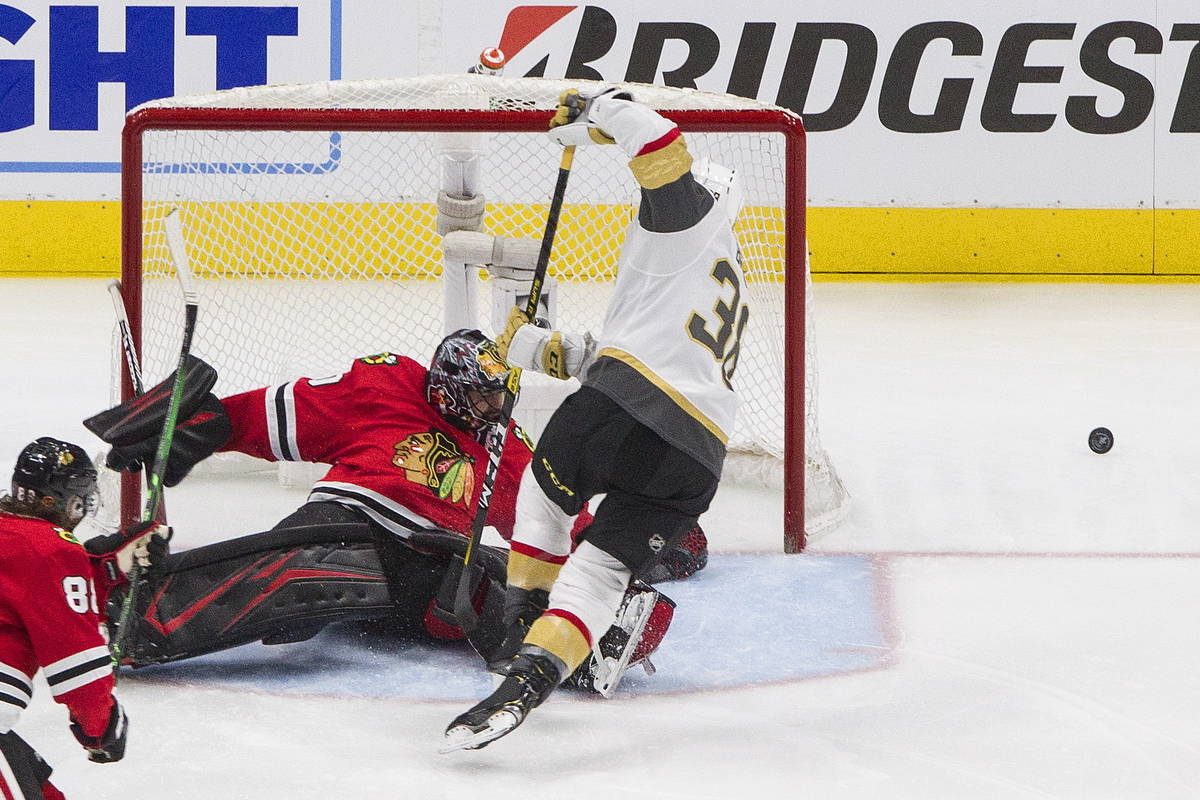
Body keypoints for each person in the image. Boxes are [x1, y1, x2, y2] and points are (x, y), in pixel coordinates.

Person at [86, 331, 704, 678]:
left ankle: (590, 646)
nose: (495, 410)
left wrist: (649, 539)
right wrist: (209, 424)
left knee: (500, 590)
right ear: (448, 387)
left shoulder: (508, 448)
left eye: (500, 398)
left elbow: (559, 519)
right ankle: (124, 618)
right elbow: (279, 417)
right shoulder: (384, 387)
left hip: (423, 564)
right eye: (483, 399)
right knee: (312, 572)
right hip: (348, 520)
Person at [442, 86, 748, 752]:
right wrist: (544, 348)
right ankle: (528, 679)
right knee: (601, 576)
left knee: (545, 501)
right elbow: (648, 351)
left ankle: (520, 622)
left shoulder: (690, 220)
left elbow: (661, 144)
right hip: (696, 460)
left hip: (624, 408)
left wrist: (595, 107)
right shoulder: (717, 274)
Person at [0, 438, 150, 800]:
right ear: (63, 500)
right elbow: (74, 657)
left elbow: (31, 590)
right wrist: (101, 727)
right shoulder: (50, 550)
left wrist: (104, 567)